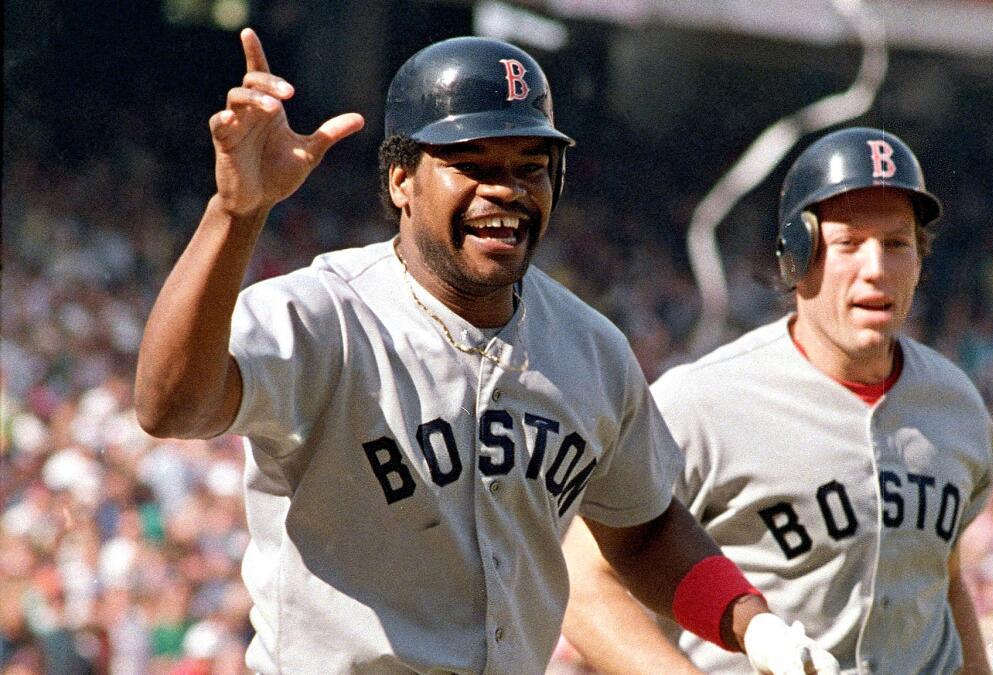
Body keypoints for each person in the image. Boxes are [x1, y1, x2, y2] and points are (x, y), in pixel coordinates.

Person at [134, 28, 838, 674]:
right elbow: (170, 404)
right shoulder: (327, 314)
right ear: (400, 180)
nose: (504, 189)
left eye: (530, 166)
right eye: (470, 163)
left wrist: (753, 624)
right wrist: (237, 212)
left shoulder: (590, 347)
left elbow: (646, 527)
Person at [562, 127, 993, 674]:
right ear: (797, 256)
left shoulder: (955, 404)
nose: (876, 268)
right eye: (849, 244)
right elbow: (583, 582)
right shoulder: (704, 401)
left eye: (896, 243)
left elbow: (946, 578)